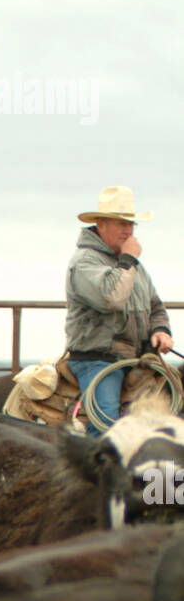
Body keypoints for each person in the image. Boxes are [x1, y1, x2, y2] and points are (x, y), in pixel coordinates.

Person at [65, 186, 173, 436]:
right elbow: (110, 298)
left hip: (135, 359)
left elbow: (155, 305)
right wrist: (128, 261)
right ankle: (98, 472)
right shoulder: (85, 262)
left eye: (131, 224)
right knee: (106, 424)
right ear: (100, 224)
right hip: (97, 359)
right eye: (120, 223)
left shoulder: (134, 266)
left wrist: (160, 330)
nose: (128, 230)